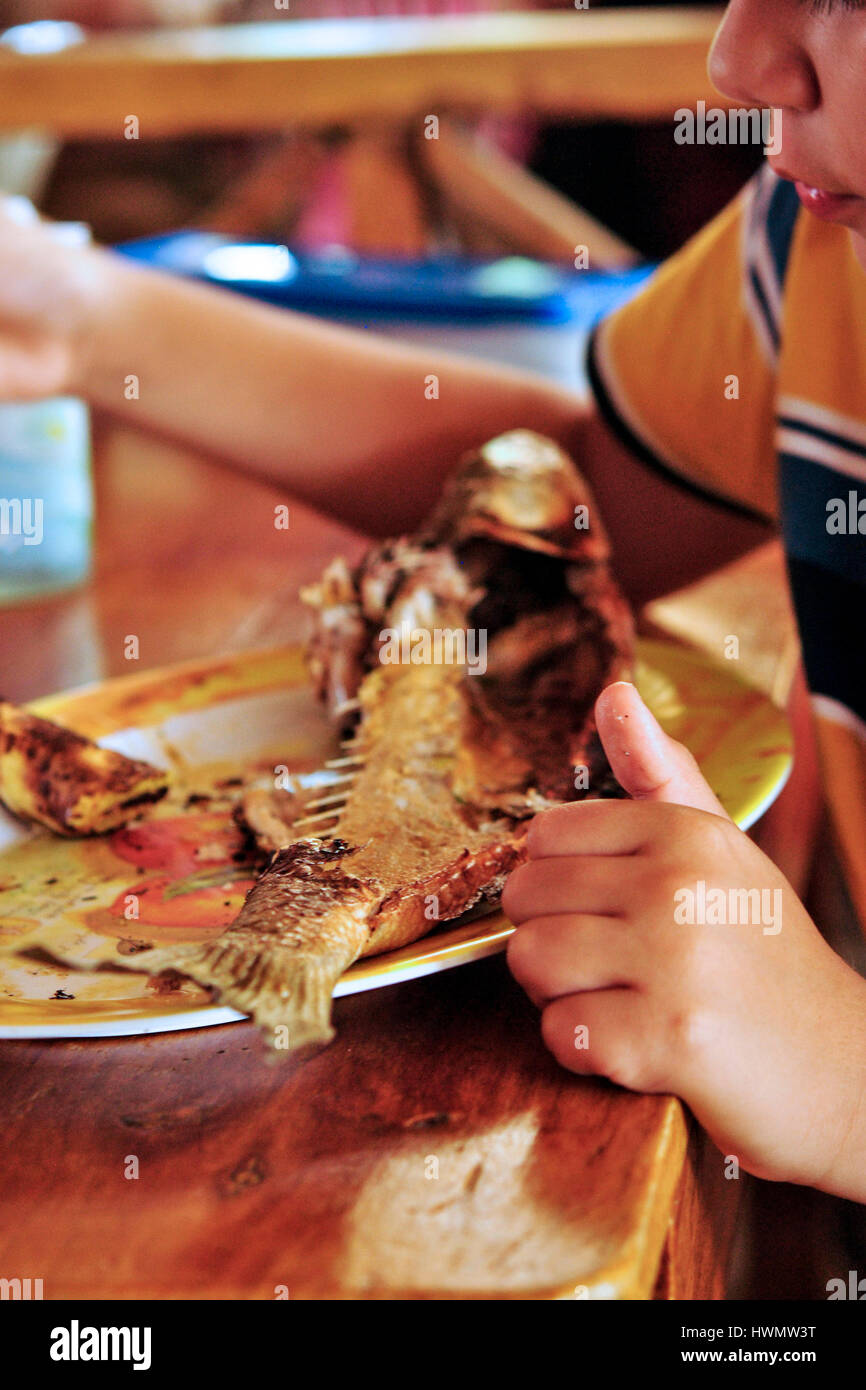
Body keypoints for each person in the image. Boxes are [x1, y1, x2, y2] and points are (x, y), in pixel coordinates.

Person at [0, 0, 864, 1205]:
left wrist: (839, 1079)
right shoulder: (813, 238)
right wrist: (82, 317)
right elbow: (580, 500)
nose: (737, 58)